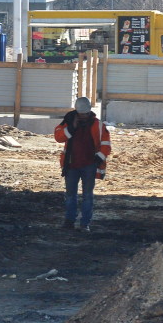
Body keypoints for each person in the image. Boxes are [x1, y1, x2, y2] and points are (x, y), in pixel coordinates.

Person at [54, 96, 111, 232]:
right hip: (71, 165)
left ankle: (85, 223)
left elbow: (106, 144)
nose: (83, 116)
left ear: (89, 111)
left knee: (87, 195)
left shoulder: (98, 125)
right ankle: (69, 221)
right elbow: (58, 137)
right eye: (81, 114)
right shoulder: (69, 121)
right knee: (70, 195)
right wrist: (71, 129)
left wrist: (99, 158)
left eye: (85, 114)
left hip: (89, 165)